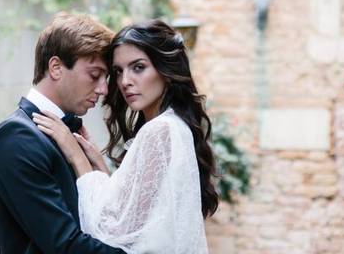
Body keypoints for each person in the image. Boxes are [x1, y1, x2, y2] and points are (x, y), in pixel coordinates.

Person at [34, 19, 217, 254]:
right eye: (118, 71)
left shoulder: (160, 131)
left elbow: (114, 232)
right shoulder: (174, 126)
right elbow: (136, 214)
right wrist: (100, 167)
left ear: (166, 70)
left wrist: (78, 159)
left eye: (138, 67)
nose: (125, 81)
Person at [0, 13, 126, 254]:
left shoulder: (69, 135)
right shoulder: (16, 137)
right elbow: (63, 244)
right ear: (56, 67)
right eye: (94, 75)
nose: (103, 89)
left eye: (106, 78)